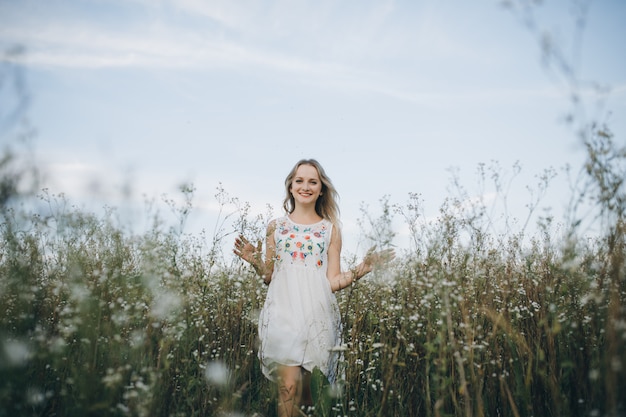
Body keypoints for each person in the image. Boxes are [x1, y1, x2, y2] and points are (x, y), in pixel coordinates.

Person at [233, 158, 394, 417]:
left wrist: (363, 268)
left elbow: (332, 281)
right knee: (288, 387)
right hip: (282, 315)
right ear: (290, 187)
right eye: (299, 181)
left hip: (315, 317)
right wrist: (255, 261)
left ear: (321, 189)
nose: (305, 186)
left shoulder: (329, 230)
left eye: (312, 181)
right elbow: (269, 275)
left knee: (307, 397)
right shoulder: (276, 226)